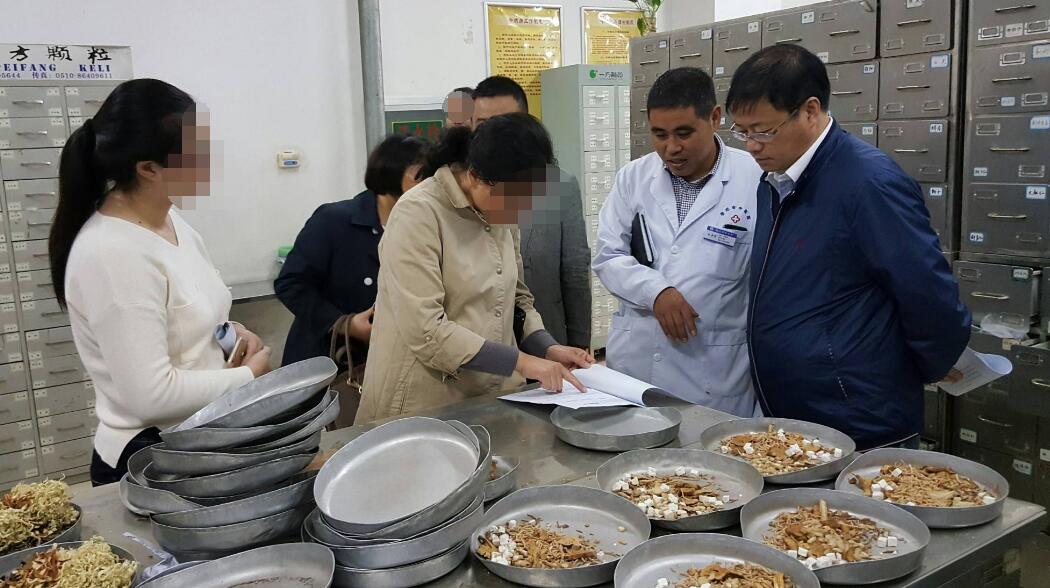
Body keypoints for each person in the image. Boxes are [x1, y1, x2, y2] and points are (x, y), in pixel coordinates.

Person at [726, 45, 970, 450]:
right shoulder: (777, 179)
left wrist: (923, 367)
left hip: (859, 419)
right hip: (801, 413)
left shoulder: (868, 183)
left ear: (810, 111)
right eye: (742, 132)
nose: (751, 145)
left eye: (763, 131)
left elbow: (928, 293)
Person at [50, 79, 272, 485]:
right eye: (197, 152)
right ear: (148, 169)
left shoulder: (173, 224)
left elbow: (200, 319)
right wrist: (248, 378)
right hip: (152, 459)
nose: (210, 161)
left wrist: (234, 340)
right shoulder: (112, 253)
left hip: (202, 439)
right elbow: (151, 396)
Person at [355, 115, 594, 423]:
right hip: (425, 401)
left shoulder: (502, 212)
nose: (519, 211)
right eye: (514, 199)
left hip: (490, 393)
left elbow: (517, 298)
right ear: (475, 176)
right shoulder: (418, 213)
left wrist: (547, 347)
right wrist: (522, 362)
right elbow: (426, 329)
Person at [592, 67, 763, 416]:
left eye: (684, 133)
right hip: (636, 366)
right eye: (659, 134)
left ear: (714, 118)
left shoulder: (755, 179)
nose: (671, 148)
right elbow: (608, 256)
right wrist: (655, 292)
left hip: (713, 371)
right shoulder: (633, 178)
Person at [275, 134, 428, 367]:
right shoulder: (333, 221)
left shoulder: (422, 226)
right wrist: (344, 323)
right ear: (390, 173)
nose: (429, 185)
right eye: (421, 176)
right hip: (329, 358)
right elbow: (290, 283)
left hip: (391, 358)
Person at [472, 76, 592, 349]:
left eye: (504, 124)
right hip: (479, 349)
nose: (492, 136)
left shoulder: (559, 186)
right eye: (482, 125)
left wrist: (579, 341)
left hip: (546, 340)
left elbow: (574, 269)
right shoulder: (459, 195)